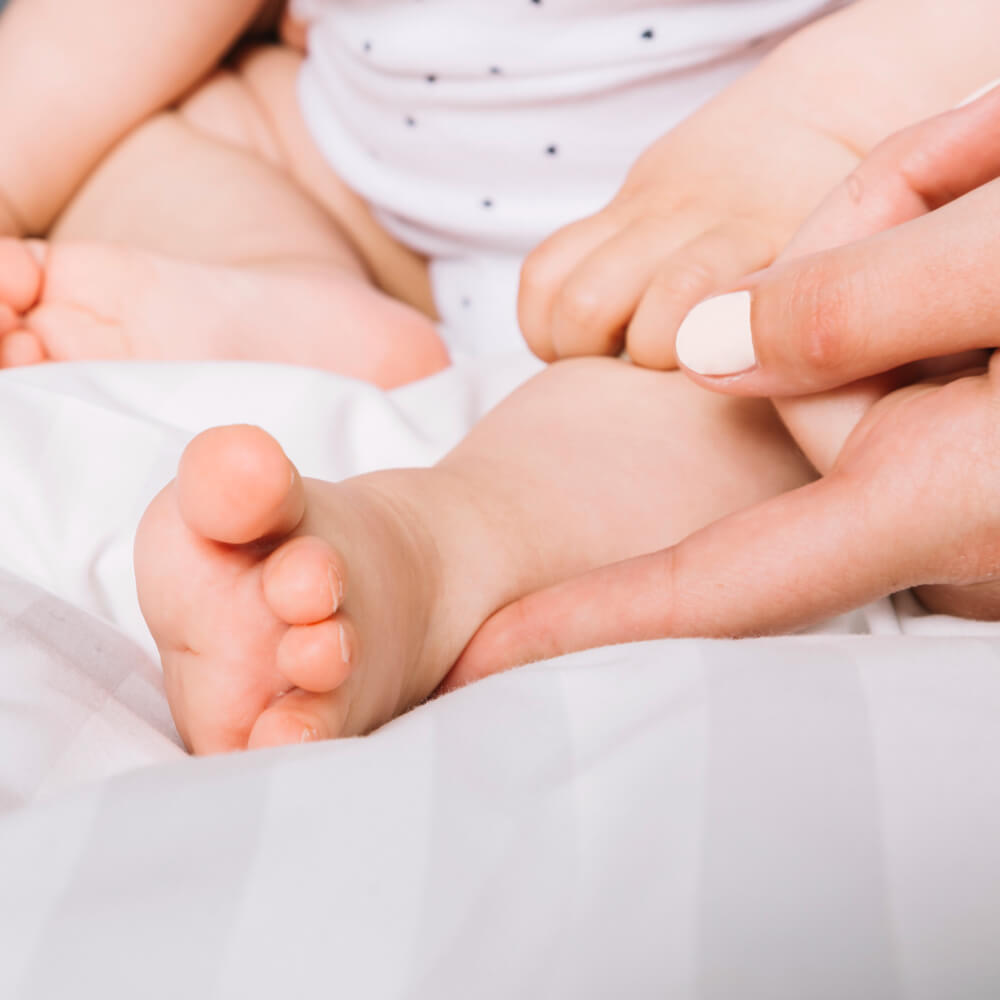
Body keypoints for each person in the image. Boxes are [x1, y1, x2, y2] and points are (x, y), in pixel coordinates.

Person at [129, 6, 1000, 751]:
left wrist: (818, 133)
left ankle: (426, 551)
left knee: (735, 397)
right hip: (341, 159)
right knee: (154, 126)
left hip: (742, 226)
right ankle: (295, 284)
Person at [447, 79, 1000, 689]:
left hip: (778, 218)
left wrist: (800, 141)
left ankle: (428, 547)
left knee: (698, 401)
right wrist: (323, 253)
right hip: (395, 245)